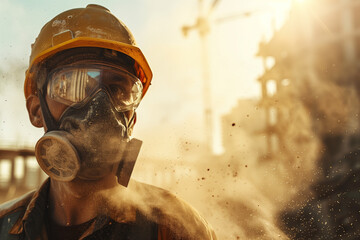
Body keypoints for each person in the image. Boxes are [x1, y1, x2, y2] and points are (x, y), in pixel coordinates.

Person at [0, 4, 217, 240]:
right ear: (36, 111)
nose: (100, 109)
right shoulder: (4, 226)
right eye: (74, 86)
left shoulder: (176, 228)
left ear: (132, 119)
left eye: (118, 90)